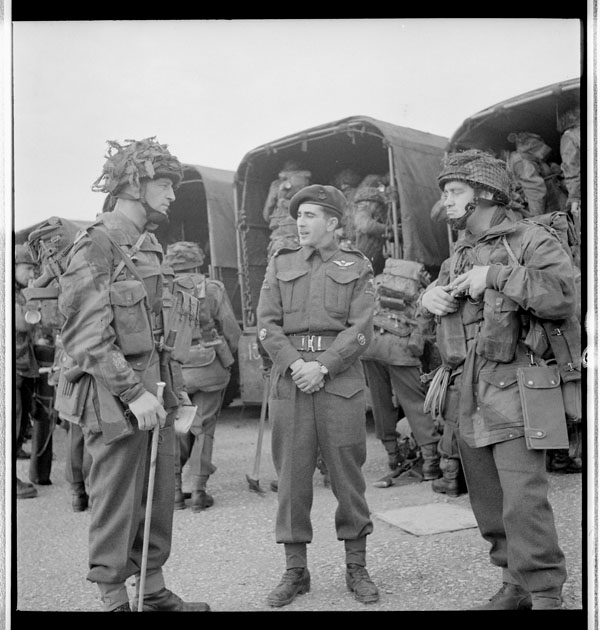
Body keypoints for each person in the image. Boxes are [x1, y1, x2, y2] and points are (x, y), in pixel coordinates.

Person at [57, 137, 210, 612]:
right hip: (113, 396)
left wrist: (177, 394)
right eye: (162, 184)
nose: (170, 195)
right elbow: (85, 337)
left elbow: (163, 332)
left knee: (159, 493)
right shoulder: (97, 244)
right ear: (133, 186)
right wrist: (132, 393)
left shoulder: (149, 247)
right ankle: (112, 601)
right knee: (117, 501)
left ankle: (153, 590)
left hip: (156, 390)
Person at [419, 149, 576, 610]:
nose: (446, 202)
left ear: (486, 193)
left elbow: (564, 296)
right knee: (487, 498)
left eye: (455, 191)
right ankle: (513, 583)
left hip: (520, 387)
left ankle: (545, 591)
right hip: (466, 390)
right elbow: (437, 324)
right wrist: (427, 299)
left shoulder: (531, 241)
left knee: (523, 499)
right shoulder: (459, 255)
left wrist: (497, 275)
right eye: (445, 193)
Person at [256, 184, 380, 607]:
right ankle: (295, 570)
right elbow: (266, 325)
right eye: (299, 215)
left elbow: (361, 328)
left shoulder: (357, 266)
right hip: (292, 381)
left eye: (310, 215)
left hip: (338, 381)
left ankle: (356, 567)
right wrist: (296, 365)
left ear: (333, 222)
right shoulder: (281, 263)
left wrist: (323, 366)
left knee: (348, 475)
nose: (301, 222)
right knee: (291, 477)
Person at [163, 241, 241, 512]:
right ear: (199, 263)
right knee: (203, 428)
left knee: (177, 428)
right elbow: (231, 330)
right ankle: (198, 492)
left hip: (175, 369)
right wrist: (225, 357)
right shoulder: (212, 288)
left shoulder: (163, 289)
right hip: (209, 366)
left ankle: (174, 493)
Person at [360, 259, 442, 484]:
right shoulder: (423, 290)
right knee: (415, 404)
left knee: (380, 404)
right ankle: (431, 463)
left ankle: (393, 456)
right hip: (400, 349)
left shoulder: (378, 283)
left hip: (371, 344)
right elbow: (427, 327)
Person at [14, 245, 40, 499]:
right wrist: (33, 296)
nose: (32, 272)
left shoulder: (20, 293)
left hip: (23, 364)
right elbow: (24, 322)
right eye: (28, 268)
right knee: (13, 420)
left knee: (21, 421)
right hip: (13, 367)